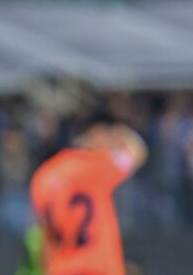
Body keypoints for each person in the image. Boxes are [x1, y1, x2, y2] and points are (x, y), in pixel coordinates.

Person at [30, 113, 148, 275]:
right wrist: (120, 131)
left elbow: (46, 238)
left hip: (62, 268)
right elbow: (136, 152)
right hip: (96, 267)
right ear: (94, 135)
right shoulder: (95, 164)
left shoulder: (42, 177)